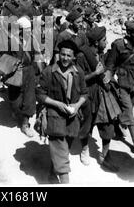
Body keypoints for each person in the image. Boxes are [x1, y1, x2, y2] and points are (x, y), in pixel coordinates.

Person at [36, 39, 88, 184]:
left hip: (72, 118)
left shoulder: (79, 73)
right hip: (54, 116)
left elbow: (85, 94)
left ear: (74, 57)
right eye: (63, 55)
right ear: (59, 55)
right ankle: (65, 181)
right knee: (61, 152)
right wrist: (57, 104)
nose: (65, 58)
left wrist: (77, 106)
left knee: (64, 149)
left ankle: (52, 174)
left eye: (68, 56)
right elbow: (40, 94)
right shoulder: (49, 71)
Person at [76, 26, 121, 172]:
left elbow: (110, 67)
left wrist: (108, 73)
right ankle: (84, 149)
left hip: (103, 94)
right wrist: (95, 73)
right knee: (87, 125)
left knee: (108, 125)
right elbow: (78, 78)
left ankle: (105, 156)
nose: (106, 42)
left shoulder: (101, 54)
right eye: (104, 40)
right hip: (89, 95)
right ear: (96, 42)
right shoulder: (83, 56)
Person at [105, 19, 134, 150]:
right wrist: (108, 79)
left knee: (125, 108)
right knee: (128, 109)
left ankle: (117, 127)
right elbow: (110, 65)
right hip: (121, 83)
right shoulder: (119, 45)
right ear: (129, 32)